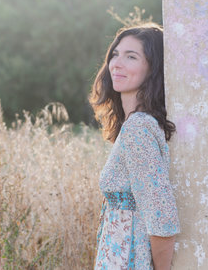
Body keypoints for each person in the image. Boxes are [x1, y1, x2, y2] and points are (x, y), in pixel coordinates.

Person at [89, 23, 180, 270]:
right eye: (115, 54)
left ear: (152, 68)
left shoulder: (138, 129)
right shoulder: (134, 125)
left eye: (131, 57)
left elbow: (162, 220)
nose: (116, 63)